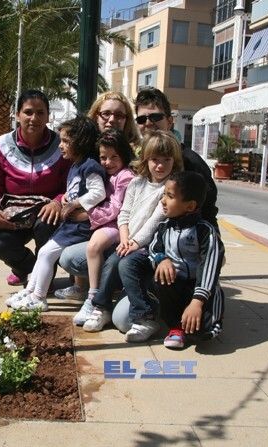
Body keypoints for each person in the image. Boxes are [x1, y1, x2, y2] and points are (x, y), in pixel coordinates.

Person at [75, 130, 184, 329]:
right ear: (146, 159)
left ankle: (144, 311)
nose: (160, 165)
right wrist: (125, 239)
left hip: (148, 246)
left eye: (166, 160)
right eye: (155, 159)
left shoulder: (169, 188)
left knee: (121, 263)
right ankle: (101, 307)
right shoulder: (137, 182)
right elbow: (124, 214)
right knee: (112, 262)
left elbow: (156, 220)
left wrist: (135, 242)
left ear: (174, 161)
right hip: (129, 241)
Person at [5, 116, 106, 311]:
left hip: (80, 227)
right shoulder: (76, 165)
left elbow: (98, 192)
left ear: (81, 141)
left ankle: (38, 297)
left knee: (46, 253)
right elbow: (76, 189)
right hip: (71, 225)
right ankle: (31, 291)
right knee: (44, 253)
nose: (60, 145)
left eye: (66, 141)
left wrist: (75, 203)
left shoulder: (90, 166)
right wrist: (66, 197)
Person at [55, 91, 140, 301]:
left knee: (72, 256)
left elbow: (119, 203)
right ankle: (83, 286)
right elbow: (77, 183)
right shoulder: (87, 149)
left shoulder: (133, 154)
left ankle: (104, 290)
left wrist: (87, 215)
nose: (112, 119)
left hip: (122, 228)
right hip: (100, 222)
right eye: (106, 114)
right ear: (96, 115)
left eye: (119, 115)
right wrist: (64, 198)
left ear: (127, 120)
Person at [126, 170, 225, 345]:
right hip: (175, 284)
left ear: (190, 206)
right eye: (164, 194)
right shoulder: (164, 227)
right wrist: (161, 259)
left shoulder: (205, 231)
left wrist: (197, 302)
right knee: (161, 279)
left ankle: (206, 316)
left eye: (170, 196)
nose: (163, 200)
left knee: (201, 334)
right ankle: (175, 327)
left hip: (199, 287)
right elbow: (154, 248)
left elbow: (209, 266)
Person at [0, 89, 70, 287]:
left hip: (46, 211)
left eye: (40, 113)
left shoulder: (62, 145)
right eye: (28, 112)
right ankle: (25, 268)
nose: (34, 118)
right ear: (17, 115)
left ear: (48, 116)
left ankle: (43, 282)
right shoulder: (1, 145)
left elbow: (70, 184)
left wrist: (57, 202)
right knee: (1, 244)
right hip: (15, 212)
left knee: (47, 226)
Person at [134, 88, 218, 228]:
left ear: (169, 121)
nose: (148, 123)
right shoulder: (138, 159)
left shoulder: (191, 162)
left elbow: (207, 210)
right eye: (142, 119)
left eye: (155, 117)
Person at [82, 129, 135, 309]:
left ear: (124, 155)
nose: (108, 162)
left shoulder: (125, 176)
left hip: (119, 224)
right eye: (103, 157)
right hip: (106, 220)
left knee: (93, 246)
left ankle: (93, 295)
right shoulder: (106, 174)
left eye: (114, 157)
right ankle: (79, 286)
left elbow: (115, 208)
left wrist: (88, 214)